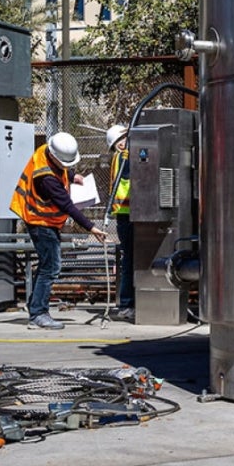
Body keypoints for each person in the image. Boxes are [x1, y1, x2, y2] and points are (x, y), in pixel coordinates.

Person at [11, 132, 108, 330]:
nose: (66, 167)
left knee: (47, 266)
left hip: (44, 222)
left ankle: (35, 306)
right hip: (40, 222)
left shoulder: (45, 152)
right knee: (51, 268)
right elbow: (68, 206)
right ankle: (38, 313)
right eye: (66, 164)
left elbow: (60, 170)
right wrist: (92, 227)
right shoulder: (46, 179)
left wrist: (73, 176)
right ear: (55, 155)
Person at [105, 123, 135, 322]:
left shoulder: (124, 156)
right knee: (130, 260)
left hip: (130, 214)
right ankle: (126, 304)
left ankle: (129, 302)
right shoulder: (123, 158)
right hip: (127, 215)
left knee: (131, 260)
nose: (122, 144)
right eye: (120, 141)